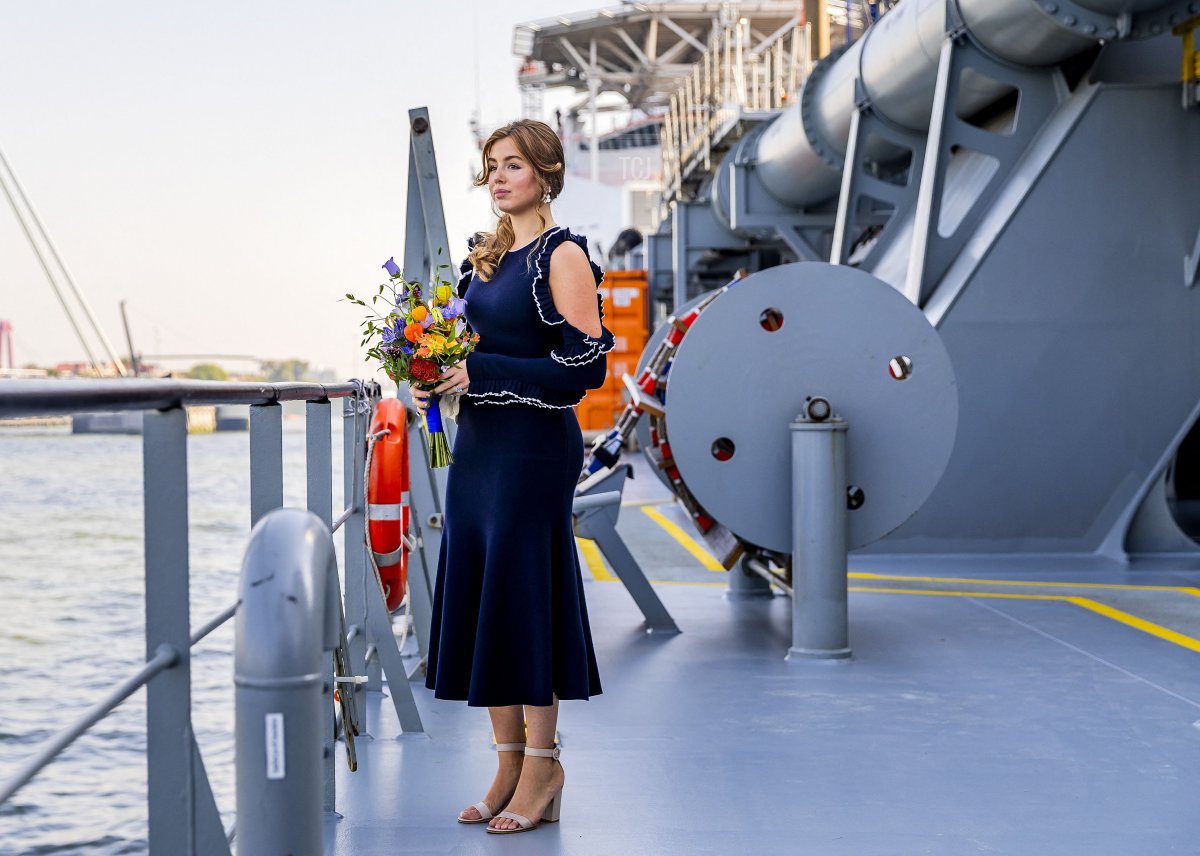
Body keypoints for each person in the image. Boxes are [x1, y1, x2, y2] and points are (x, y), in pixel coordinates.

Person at [409, 119, 612, 835]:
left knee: (523, 597)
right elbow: (463, 353)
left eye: (514, 165)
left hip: (532, 450)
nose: (498, 177)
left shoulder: (562, 255)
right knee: (487, 595)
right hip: (480, 445)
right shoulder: (486, 262)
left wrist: (481, 369)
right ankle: (507, 763)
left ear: (546, 175)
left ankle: (544, 765)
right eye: (492, 165)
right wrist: (433, 379)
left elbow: (586, 366)